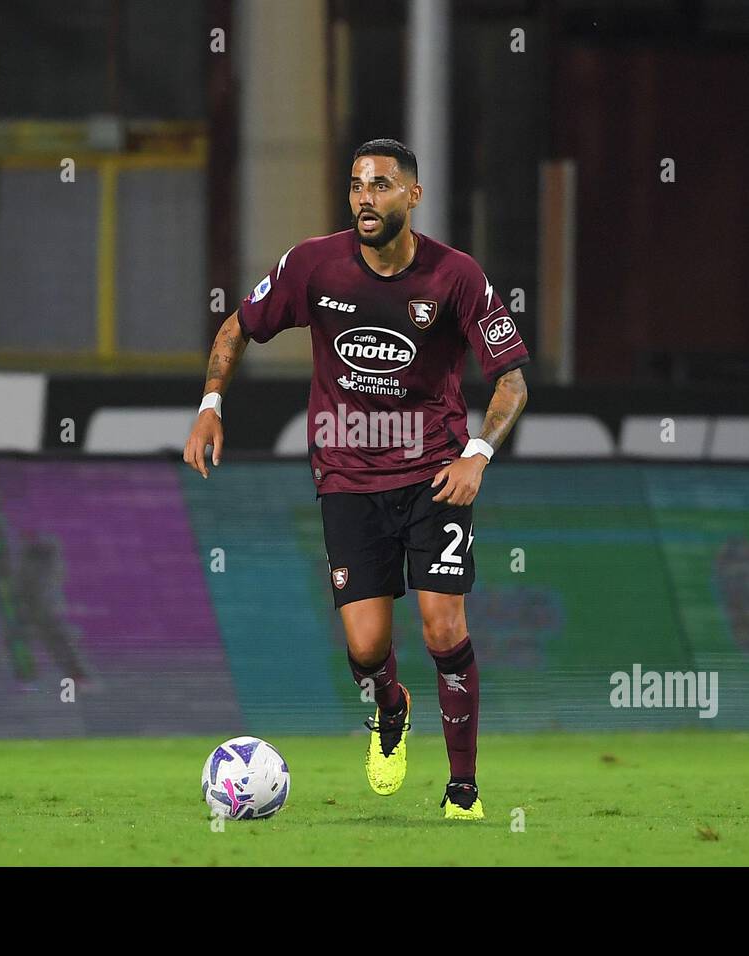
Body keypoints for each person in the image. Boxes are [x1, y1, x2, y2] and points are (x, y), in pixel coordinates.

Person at [183, 138, 529, 819]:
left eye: (381, 184)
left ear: (413, 196)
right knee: (367, 647)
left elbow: (511, 381)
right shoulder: (314, 265)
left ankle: (463, 789)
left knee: (441, 627)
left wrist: (479, 453)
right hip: (346, 478)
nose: (365, 197)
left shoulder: (457, 277)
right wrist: (209, 405)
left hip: (435, 476)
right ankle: (390, 708)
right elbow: (237, 327)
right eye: (356, 185)